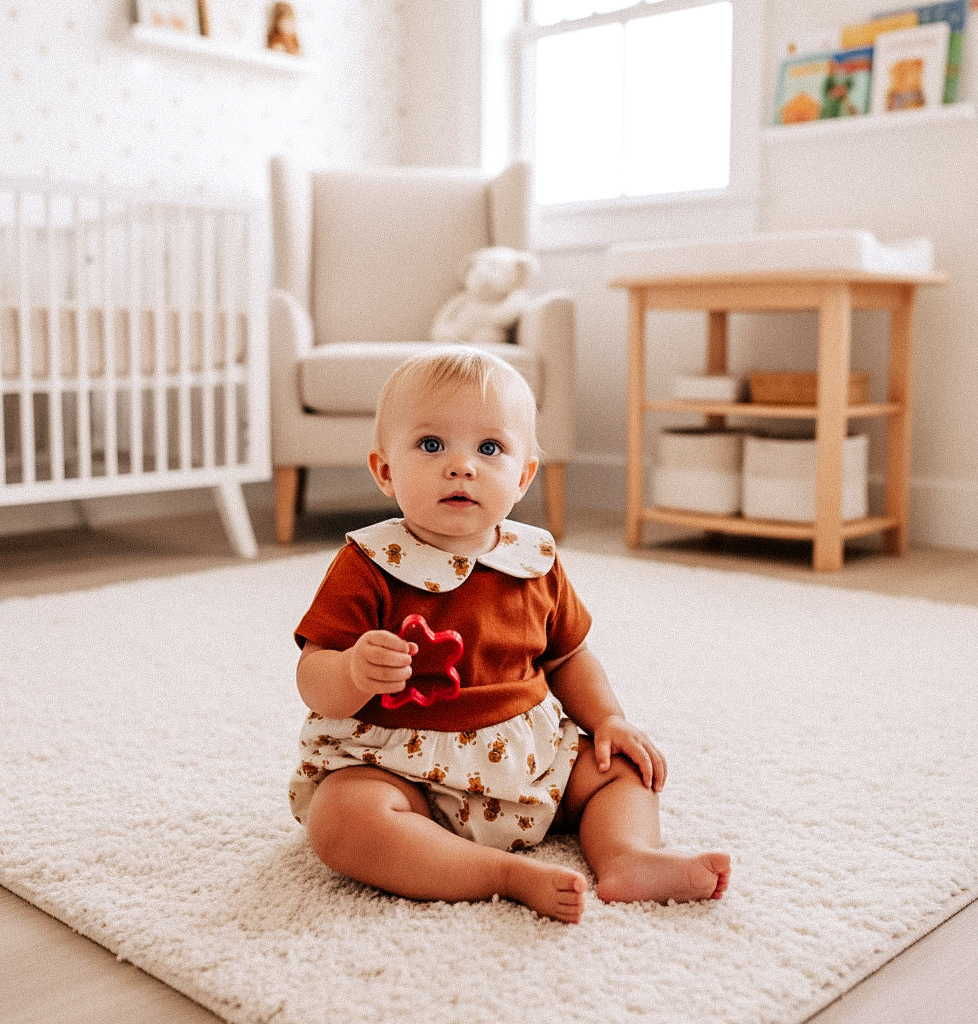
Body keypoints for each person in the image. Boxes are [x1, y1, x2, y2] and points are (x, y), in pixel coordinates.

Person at [289, 348, 730, 923]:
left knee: (621, 766)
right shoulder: (370, 564)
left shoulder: (534, 559)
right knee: (342, 821)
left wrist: (608, 719)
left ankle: (629, 857)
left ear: (522, 477)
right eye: (430, 445)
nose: (462, 467)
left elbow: (570, 656)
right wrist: (350, 671)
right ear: (384, 470)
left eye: (489, 449)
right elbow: (312, 676)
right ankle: (502, 876)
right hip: (403, 770)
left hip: (530, 757)